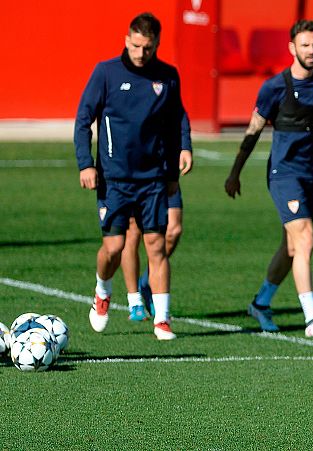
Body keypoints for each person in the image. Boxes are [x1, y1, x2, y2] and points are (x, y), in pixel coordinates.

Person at [224, 19, 313, 338]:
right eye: (305, 45)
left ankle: (261, 302)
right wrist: (235, 173)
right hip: (283, 174)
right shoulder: (274, 87)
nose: (311, 50)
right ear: (292, 48)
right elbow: (252, 132)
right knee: (305, 238)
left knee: (291, 247)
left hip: (309, 175)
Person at [75, 12, 187, 340]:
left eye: (147, 48)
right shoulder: (106, 73)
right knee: (114, 246)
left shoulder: (167, 76)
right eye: (135, 46)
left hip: (153, 178)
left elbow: (177, 121)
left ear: (157, 44)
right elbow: (83, 119)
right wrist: (85, 164)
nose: (140, 53)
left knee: (156, 245)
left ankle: (162, 320)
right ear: (127, 40)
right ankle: (102, 292)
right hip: (115, 179)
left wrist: (180, 158)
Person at [122, 147, 192, 322]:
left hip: (163, 166)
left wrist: (185, 147)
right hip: (131, 167)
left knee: (173, 230)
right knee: (133, 231)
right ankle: (135, 301)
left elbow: (178, 128)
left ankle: (147, 281)